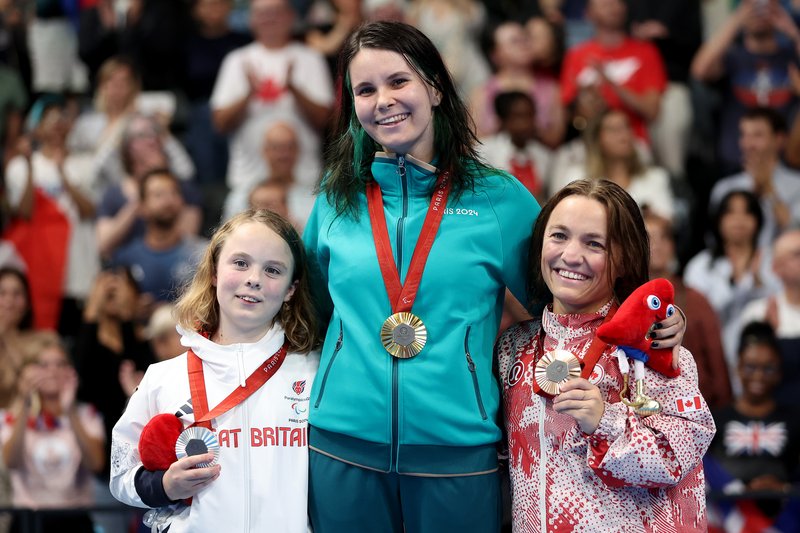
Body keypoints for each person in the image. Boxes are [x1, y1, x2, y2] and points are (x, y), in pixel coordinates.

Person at [302, 20, 541, 533]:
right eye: (365, 90)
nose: (383, 100)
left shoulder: (498, 200)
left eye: (398, 81)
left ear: (433, 87)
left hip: (456, 450)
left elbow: (566, 305)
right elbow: (309, 311)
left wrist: (656, 322)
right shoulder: (335, 200)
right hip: (342, 446)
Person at [496, 178, 714, 531]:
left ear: (625, 257)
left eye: (593, 243)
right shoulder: (512, 349)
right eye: (559, 236)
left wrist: (605, 422)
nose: (570, 256)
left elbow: (679, 457)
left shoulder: (652, 349)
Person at [109, 209, 320, 532]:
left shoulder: (312, 371)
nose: (254, 278)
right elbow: (121, 474)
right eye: (240, 263)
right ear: (213, 273)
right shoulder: (162, 378)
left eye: (273, 270)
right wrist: (165, 486)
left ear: (291, 290)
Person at [211, 0, 334, 222]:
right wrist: (248, 94)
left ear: (290, 17)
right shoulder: (236, 60)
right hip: (248, 180)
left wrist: (295, 89)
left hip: (303, 183)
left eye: (276, 12)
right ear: (251, 19)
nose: (269, 18)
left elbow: (327, 121)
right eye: (262, 13)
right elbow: (219, 123)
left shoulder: (310, 58)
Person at [1, 330, 105, 533]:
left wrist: (69, 412)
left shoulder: (86, 415)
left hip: (75, 521)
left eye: (60, 364)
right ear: (27, 371)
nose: (53, 371)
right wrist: (25, 405)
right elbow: (11, 462)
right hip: (29, 521)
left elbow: (96, 464)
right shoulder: (10, 418)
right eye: (43, 365)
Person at [684, 190, 782, 388]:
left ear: (758, 220)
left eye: (747, 212)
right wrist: (740, 285)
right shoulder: (701, 265)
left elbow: (780, 303)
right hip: (713, 353)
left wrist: (758, 284)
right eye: (730, 212)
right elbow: (698, 316)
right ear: (718, 220)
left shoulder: (772, 259)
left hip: (762, 357)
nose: (739, 219)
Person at [706, 321, 800, 524]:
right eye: (751, 366)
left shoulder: (794, 420)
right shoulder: (715, 420)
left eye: (768, 368)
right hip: (727, 519)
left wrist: (782, 489)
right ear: (737, 366)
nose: (758, 376)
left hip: (783, 520)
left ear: (779, 371)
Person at [691, 0, 800, 175]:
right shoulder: (733, 56)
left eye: (766, 5)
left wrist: (793, 32)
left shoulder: (790, 55)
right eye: (752, 5)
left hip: (785, 165)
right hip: (735, 164)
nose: (759, 12)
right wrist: (736, 21)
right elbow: (700, 70)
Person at [645, 212, 732, 409]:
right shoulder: (622, 300)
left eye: (664, 237)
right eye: (648, 238)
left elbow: (716, 362)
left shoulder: (696, 300)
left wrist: (724, 412)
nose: (657, 245)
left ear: (672, 246)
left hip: (692, 410)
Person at [560, 0, 667, 145]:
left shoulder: (645, 51)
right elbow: (569, 114)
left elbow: (652, 111)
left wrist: (612, 84)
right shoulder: (576, 55)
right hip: (589, 143)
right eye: (604, 3)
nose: (612, 6)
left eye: (617, 2)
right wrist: (586, 102)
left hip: (633, 144)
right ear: (588, 13)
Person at [551, 108, 676, 222]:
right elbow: (562, 216)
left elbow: (667, 225)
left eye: (627, 127)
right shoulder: (577, 177)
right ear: (597, 139)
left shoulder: (655, 177)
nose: (624, 135)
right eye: (613, 129)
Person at [110, 169, 207, 304]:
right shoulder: (126, 258)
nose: (168, 201)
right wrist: (132, 310)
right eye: (158, 195)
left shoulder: (202, 254)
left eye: (174, 193)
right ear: (142, 207)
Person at [709, 107, 800, 249]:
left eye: (757, 135)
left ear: (779, 140)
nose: (748, 144)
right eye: (744, 135)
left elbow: (795, 233)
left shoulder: (797, 185)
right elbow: (714, 241)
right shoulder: (725, 187)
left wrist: (768, 190)